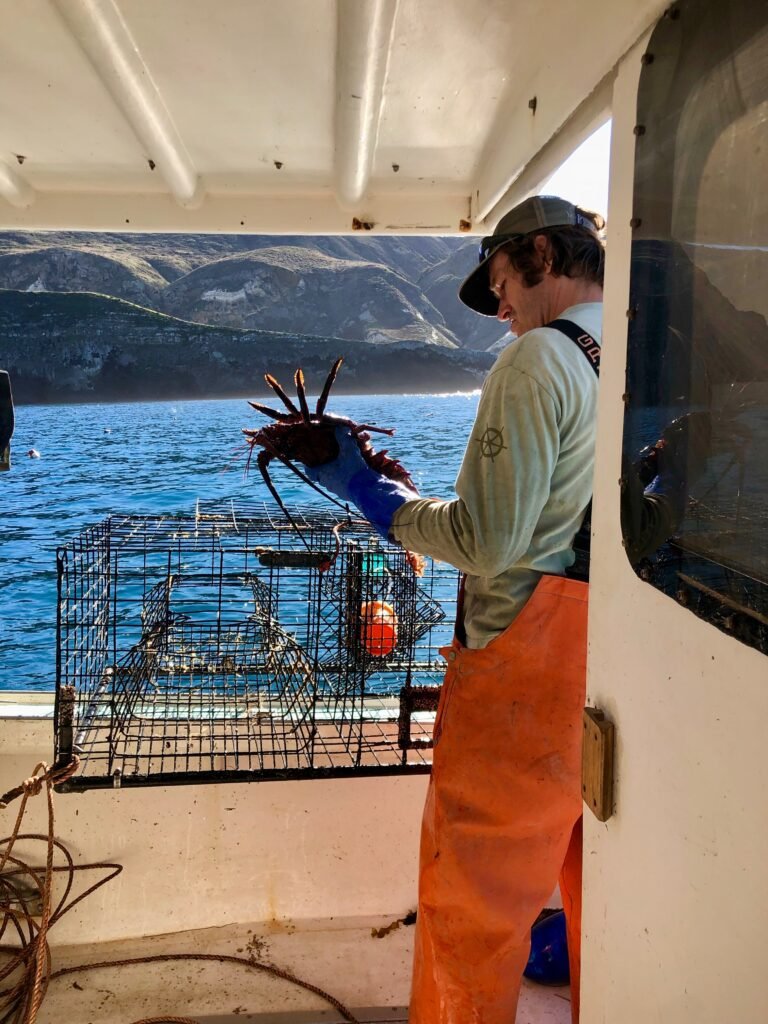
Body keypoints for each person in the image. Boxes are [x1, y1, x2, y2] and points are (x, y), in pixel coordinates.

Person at [306, 194, 604, 1024]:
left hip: (521, 668)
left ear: (542, 255)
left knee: (468, 900)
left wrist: (376, 496)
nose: (500, 309)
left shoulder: (539, 358)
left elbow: (485, 540)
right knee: (597, 895)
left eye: (502, 280)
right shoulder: (631, 353)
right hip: (605, 665)